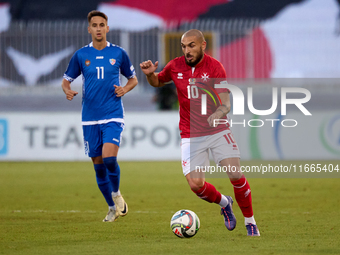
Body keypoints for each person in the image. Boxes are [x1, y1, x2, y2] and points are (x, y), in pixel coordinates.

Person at [140, 29, 260, 236]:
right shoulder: (175, 66)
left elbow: (226, 103)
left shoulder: (215, 67)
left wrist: (218, 113)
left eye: (191, 46)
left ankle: (250, 222)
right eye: (184, 46)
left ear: (203, 45)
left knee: (235, 173)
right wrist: (151, 74)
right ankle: (225, 203)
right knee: (196, 185)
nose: (187, 51)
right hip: (190, 134)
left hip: (217, 129)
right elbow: (158, 82)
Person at [61, 10, 138, 222]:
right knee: (98, 165)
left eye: (101, 25)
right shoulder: (81, 55)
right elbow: (66, 80)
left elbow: (133, 79)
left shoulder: (119, 53)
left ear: (107, 28)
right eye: (94, 25)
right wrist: (67, 90)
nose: (98, 28)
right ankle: (112, 207)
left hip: (112, 113)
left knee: (109, 158)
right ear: (89, 29)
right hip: (89, 117)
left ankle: (116, 193)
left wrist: (125, 89)